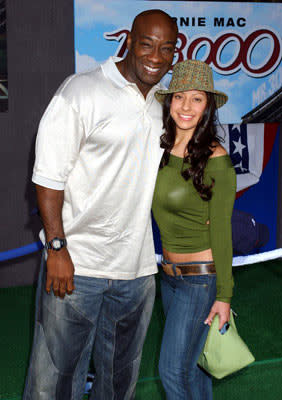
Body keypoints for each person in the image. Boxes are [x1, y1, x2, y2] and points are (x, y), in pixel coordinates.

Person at [23, 9, 178, 400]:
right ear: (128, 41)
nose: (156, 57)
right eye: (147, 44)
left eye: (167, 48)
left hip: (136, 271)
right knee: (55, 379)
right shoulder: (80, 92)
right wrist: (57, 248)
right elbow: (48, 177)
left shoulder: (164, 104)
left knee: (119, 381)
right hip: (77, 265)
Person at [152, 59, 236, 399]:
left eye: (197, 99)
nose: (186, 107)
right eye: (179, 97)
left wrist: (224, 296)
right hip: (169, 278)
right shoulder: (158, 150)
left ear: (208, 106)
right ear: (169, 101)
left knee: (171, 372)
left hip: (200, 279)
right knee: (194, 370)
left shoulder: (216, 159)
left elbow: (221, 232)